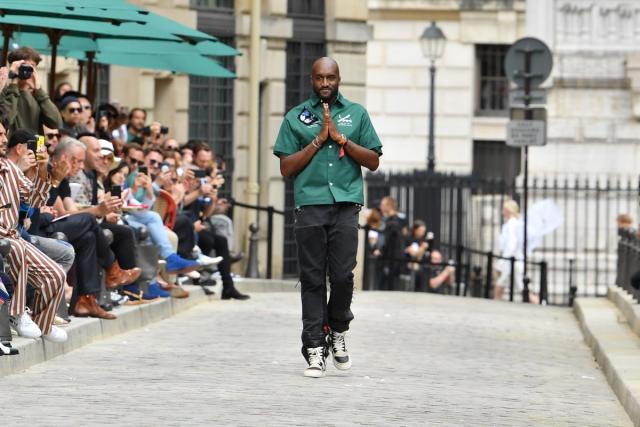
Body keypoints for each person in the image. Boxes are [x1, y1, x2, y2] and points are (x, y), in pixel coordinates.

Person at [273, 57, 382, 378]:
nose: (325, 83)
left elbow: (373, 161)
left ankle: (337, 328)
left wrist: (342, 139)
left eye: (330, 77)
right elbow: (286, 168)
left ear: (338, 79)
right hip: (311, 204)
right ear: (311, 79)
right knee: (312, 278)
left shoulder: (356, 113)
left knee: (344, 275)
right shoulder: (295, 118)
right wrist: (319, 140)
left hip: (346, 204)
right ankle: (314, 347)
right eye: (319, 78)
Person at [0, 120, 68, 342]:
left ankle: (43, 322)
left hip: (13, 234)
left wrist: (42, 172)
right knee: (17, 248)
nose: (3, 139)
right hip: (6, 237)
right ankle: (16, 314)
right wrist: (19, 168)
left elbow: (35, 200)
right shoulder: (11, 167)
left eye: (4, 134)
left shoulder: (9, 167)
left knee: (56, 274)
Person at [0, 46, 62, 135]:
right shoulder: (3, 91)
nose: (26, 70)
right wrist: (14, 81)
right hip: (13, 147)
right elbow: (5, 122)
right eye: (23, 66)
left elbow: (56, 123)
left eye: (31, 67)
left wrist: (39, 91)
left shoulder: (37, 95)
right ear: (13, 66)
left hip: (35, 147)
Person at [495, 200, 539, 304]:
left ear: (508, 210)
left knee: (519, 287)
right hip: (513, 261)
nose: (502, 211)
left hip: (512, 261)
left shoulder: (511, 224)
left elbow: (512, 244)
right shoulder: (514, 223)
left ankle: (538, 303)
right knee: (503, 284)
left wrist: (503, 259)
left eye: (504, 209)